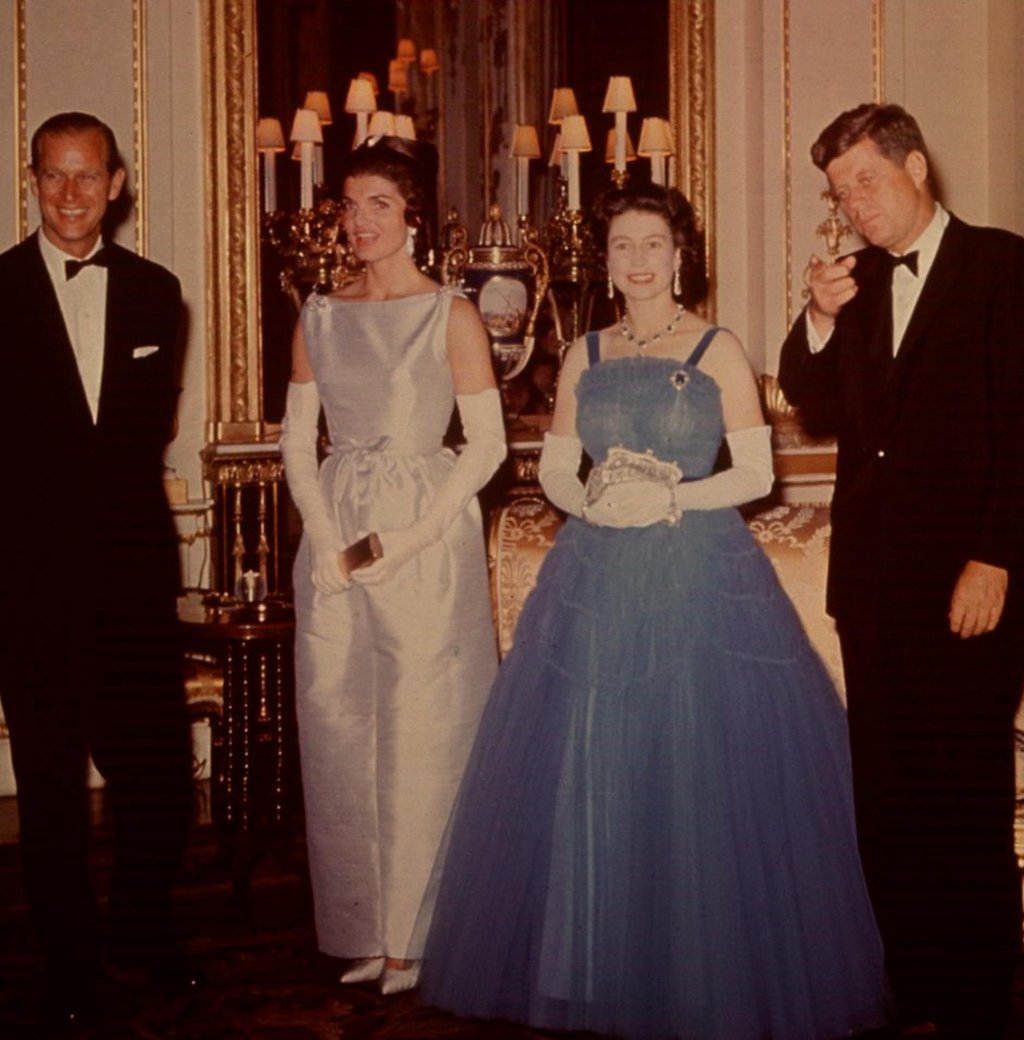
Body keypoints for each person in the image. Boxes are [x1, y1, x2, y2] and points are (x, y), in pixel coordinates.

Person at [418, 182, 890, 1040]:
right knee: (597, 761)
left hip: (698, 571)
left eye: (653, 246)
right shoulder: (584, 353)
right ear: (607, 260)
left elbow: (757, 474)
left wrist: (670, 494)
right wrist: (595, 500)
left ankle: (701, 975)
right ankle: (592, 968)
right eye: (622, 246)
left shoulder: (716, 348)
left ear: (682, 256)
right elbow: (556, 464)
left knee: (694, 767)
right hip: (595, 577)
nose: (637, 262)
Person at [778, 102, 1024, 1038]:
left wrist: (995, 556)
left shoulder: (1006, 266)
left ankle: (974, 1004)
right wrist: (816, 313)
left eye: (866, 182)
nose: (854, 206)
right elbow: (809, 403)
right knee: (888, 797)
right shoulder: (859, 281)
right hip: (874, 585)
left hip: (971, 578)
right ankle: (913, 993)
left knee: (961, 794)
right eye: (839, 193)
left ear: (915, 166)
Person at [280, 134, 505, 996]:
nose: (361, 219)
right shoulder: (320, 313)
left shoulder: (450, 312)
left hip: (422, 535)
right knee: (338, 726)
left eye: (380, 203)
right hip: (334, 538)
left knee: (419, 731)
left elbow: (484, 447)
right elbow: (301, 441)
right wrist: (324, 534)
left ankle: (419, 931)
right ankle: (365, 927)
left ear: (413, 217)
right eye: (350, 203)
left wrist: (404, 541)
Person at [0, 112, 200, 1028]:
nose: (72, 194)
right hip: (29, 580)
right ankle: (71, 961)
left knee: (153, 770)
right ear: (31, 180)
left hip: (127, 571)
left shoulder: (160, 295)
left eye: (89, 176)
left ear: (117, 182)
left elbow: (139, 436)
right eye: (55, 176)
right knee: (47, 783)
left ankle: (144, 936)